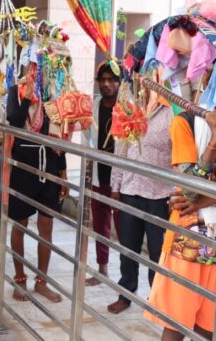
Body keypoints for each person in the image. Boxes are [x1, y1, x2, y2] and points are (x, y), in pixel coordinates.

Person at [144, 59, 216, 340]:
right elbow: (188, 193)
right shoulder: (185, 121)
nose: (208, 82)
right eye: (207, 75)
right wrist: (214, 139)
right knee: (175, 324)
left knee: (211, 327)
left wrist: (211, 198)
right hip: (189, 237)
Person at [106, 103, 174, 314]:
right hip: (129, 189)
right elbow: (120, 150)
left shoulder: (172, 111)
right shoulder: (128, 107)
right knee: (128, 250)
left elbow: (178, 154)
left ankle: (156, 300)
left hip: (160, 194)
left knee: (158, 253)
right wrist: (115, 185)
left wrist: (176, 192)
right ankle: (125, 295)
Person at [6, 71, 68, 303]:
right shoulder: (16, 91)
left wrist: (62, 171)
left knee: (46, 226)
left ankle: (41, 281)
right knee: (19, 223)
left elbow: (60, 135)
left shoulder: (54, 91)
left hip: (50, 165)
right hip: (24, 165)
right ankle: (19, 278)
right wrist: (27, 97)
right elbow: (14, 121)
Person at [83, 61, 121, 286]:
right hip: (100, 174)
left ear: (118, 83)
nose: (106, 84)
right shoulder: (93, 106)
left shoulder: (127, 108)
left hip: (123, 180)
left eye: (111, 80)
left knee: (125, 228)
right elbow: (87, 137)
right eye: (103, 80)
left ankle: (129, 277)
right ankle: (102, 269)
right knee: (100, 224)